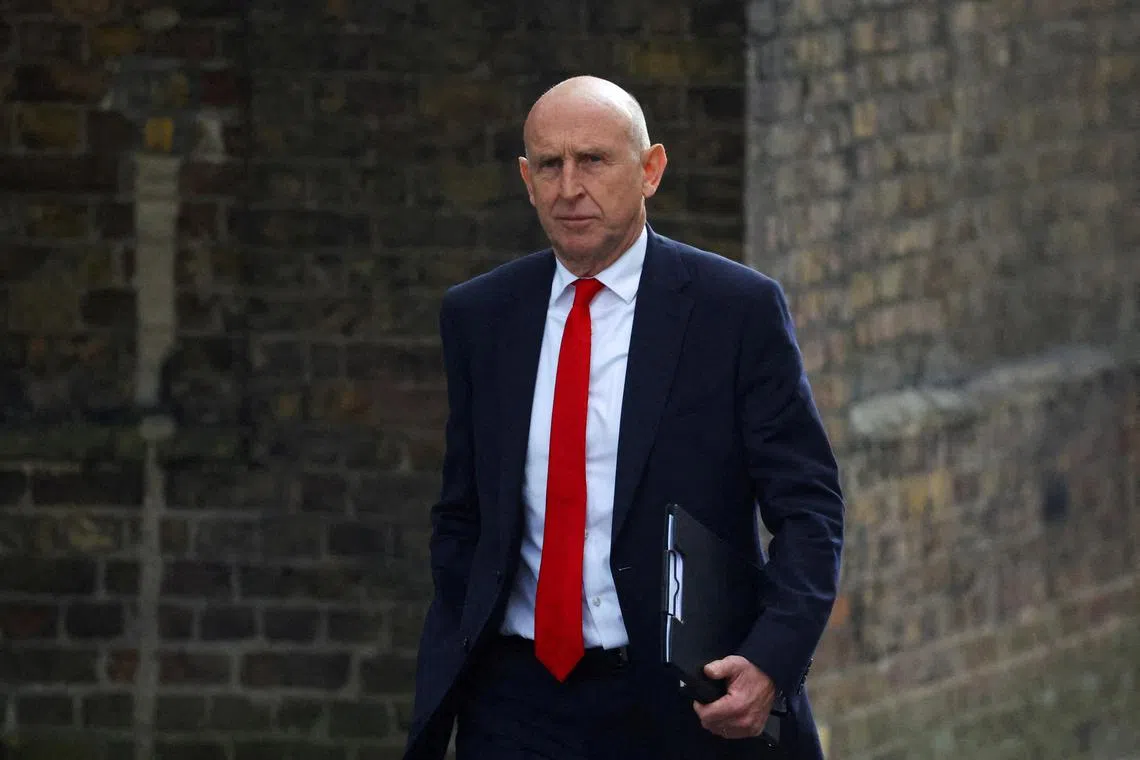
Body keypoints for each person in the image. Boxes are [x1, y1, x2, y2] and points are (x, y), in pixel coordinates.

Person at [403, 75, 844, 760]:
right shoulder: (481, 317)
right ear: (526, 179)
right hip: (515, 699)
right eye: (549, 165)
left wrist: (771, 660)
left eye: (594, 160)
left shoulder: (733, 311)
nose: (569, 186)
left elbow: (809, 508)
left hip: (677, 698)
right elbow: (463, 511)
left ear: (650, 170)